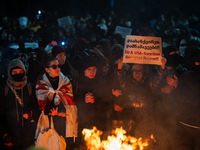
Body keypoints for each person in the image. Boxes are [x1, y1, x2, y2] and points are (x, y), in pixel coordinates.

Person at [112, 57, 167, 138]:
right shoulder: (127, 83)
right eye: (135, 72)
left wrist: (162, 66)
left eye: (140, 71)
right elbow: (120, 79)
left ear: (143, 72)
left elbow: (158, 78)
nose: (137, 74)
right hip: (129, 117)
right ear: (131, 72)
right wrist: (120, 67)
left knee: (144, 140)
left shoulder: (149, 83)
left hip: (145, 117)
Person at [36, 56, 78, 150]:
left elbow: (70, 100)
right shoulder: (41, 84)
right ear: (47, 69)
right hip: (48, 120)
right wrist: (51, 111)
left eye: (59, 66)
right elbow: (40, 104)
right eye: (54, 67)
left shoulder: (66, 82)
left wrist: (60, 111)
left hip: (64, 120)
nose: (58, 68)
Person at [0, 58, 39, 150]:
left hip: (28, 135)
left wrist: (31, 114)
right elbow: (0, 114)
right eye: (14, 72)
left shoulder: (30, 88)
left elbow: (37, 109)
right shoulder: (4, 90)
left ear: (24, 71)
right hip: (11, 134)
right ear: (9, 73)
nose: (18, 74)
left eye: (20, 71)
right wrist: (5, 134)